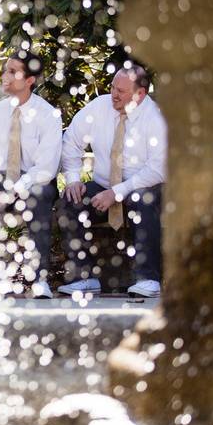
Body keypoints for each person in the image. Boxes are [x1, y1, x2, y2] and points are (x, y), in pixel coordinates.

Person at [57, 63, 167, 298]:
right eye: (113, 88)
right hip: (104, 183)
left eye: (121, 91)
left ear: (140, 94)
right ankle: (84, 278)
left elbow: (158, 169)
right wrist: (74, 179)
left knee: (146, 201)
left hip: (143, 185)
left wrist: (117, 192)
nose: (114, 95)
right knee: (70, 201)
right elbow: (71, 141)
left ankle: (149, 279)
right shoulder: (99, 107)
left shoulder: (155, 118)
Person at [0, 50, 62, 298]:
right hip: (0, 180)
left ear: (29, 80)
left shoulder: (48, 114)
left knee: (39, 195)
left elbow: (45, 168)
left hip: (33, 181)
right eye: (5, 70)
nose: (5, 76)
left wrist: (11, 193)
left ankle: (39, 278)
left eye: (13, 72)